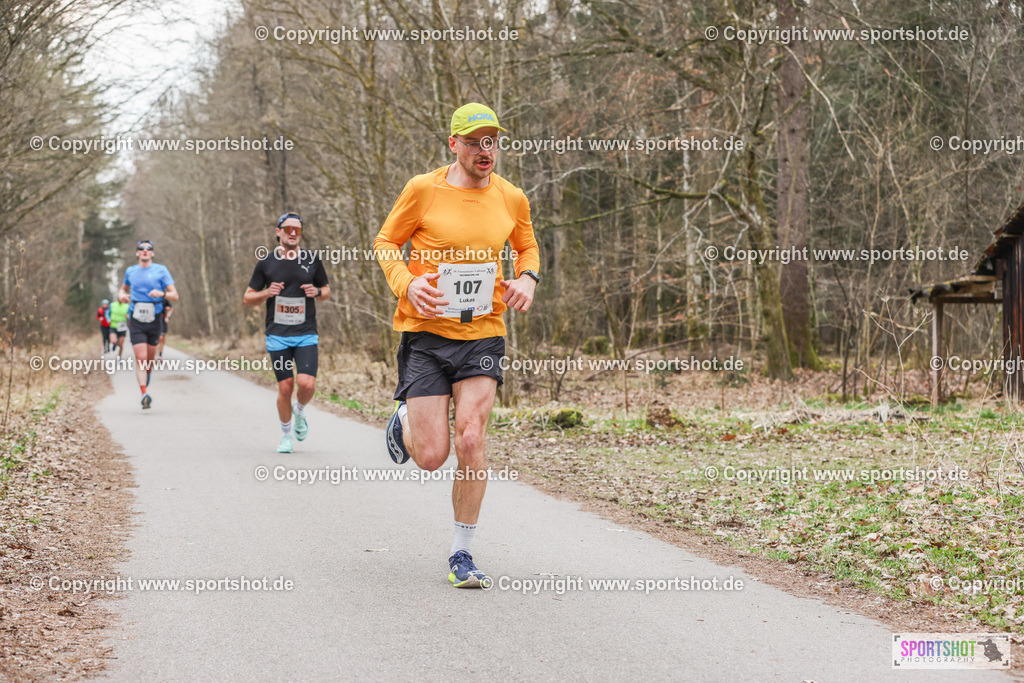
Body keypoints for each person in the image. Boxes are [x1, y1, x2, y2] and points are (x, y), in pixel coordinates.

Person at [373, 102, 540, 588]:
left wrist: (527, 277)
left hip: (483, 332)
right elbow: (386, 242)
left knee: (471, 438)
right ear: (454, 144)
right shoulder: (423, 190)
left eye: (491, 140)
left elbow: (527, 247)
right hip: (425, 334)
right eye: (474, 141)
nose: (485, 150)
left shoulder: (512, 197)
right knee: (430, 456)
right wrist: (406, 282)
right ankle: (404, 417)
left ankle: (462, 553)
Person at [243, 212, 330, 454]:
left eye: (297, 230)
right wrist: (266, 293)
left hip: (305, 334)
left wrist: (317, 292)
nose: (293, 233)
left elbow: (327, 291)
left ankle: (300, 412)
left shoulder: (312, 259)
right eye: (288, 228)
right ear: (278, 231)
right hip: (278, 336)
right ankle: (285, 436)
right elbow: (248, 297)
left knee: (307, 384)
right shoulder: (266, 263)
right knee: (285, 387)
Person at [117, 240, 178, 409]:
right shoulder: (131, 271)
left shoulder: (161, 270)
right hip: (136, 318)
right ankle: (144, 393)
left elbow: (175, 295)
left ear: (152, 253)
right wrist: (121, 295)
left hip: (155, 316)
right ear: (137, 252)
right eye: (141, 249)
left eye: (148, 249)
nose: (145, 251)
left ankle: (147, 375)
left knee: (149, 360)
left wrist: (162, 293)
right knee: (141, 358)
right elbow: (122, 290)